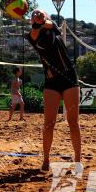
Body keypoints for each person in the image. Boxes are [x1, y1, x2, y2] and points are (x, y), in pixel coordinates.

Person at [27, 10, 81, 171]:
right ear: (31, 21)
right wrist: (37, 22)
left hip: (69, 78)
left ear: (47, 17)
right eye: (34, 14)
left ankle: (78, 159)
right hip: (51, 80)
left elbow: (50, 24)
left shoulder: (53, 27)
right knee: (49, 123)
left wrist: (41, 19)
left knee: (73, 122)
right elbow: (35, 33)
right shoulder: (32, 35)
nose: (37, 14)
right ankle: (46, 160)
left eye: (41, 13)